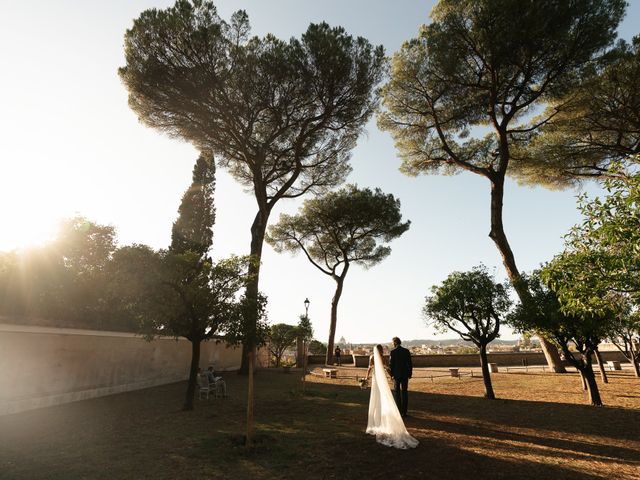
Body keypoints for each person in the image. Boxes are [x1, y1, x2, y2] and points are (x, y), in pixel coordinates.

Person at [365, 344, 418, 449]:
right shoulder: (383, 358)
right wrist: (391, 376)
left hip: (376, 378)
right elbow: (387, 369)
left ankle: (377, 418)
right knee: (384, 395)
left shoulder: (371, 357)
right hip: (382, 378)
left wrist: (366, 378)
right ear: (381, 350)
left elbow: (369, 368)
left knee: (376, 397)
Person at [389, 336, 412, 418]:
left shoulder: (393, 352)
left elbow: (391, 365)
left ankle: (399, 411)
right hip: (405, 375)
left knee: (397, 393)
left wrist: (391, 375)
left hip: (396, 375)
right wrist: (410, 374)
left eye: (392, 342)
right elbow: (410, 364)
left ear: (395, 342)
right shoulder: (406, 351)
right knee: (405, 393)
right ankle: (404, 412)